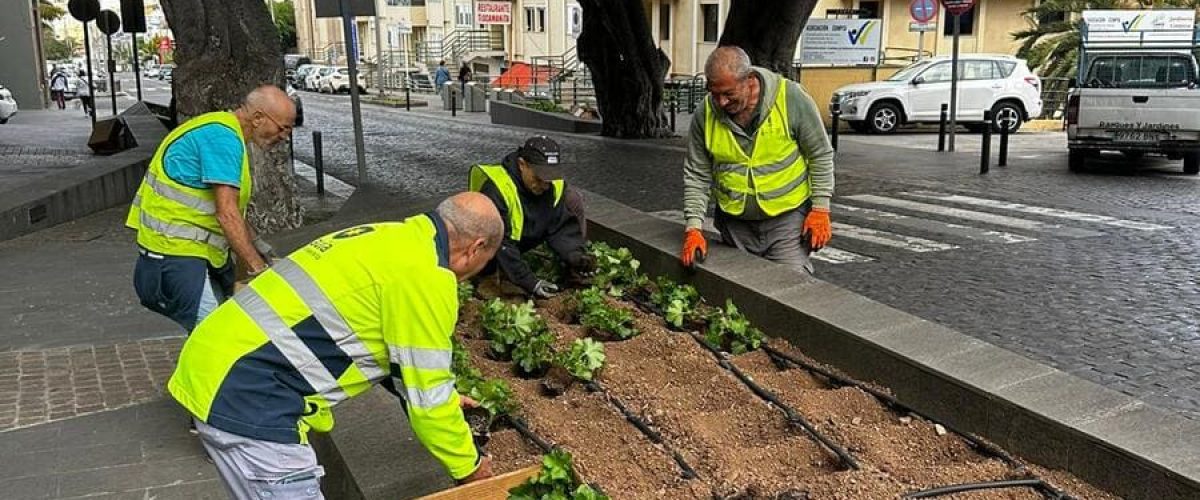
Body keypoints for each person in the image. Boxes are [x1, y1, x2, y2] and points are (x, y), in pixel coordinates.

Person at [168, 193, 503, 499]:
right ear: (476, 247)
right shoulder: (426, 277)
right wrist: (472, 470)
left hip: (218, 368)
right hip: (251, 396)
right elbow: (429, 404)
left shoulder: (389, 237)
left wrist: (446, 397)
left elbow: (385, 345)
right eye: (482, 263)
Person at [126, 84, 295, 332]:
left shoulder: (223, 130)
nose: (285, 136)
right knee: (217, 336)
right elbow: (227, 213)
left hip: (184, 255)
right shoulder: (223, 139)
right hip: (177, 256)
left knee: (218, 331)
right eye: (283, 127)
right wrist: (258, 270)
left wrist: (261, 248)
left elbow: (231, 210)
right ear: (258, 118)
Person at [681, 46, 835, 274]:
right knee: (740, 293)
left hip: (787, 220)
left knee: (790, 287)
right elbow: (697, 173)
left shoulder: (791, 99)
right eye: (714, 93)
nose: (721, 102)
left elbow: (820, 154)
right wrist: (693, 228)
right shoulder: (706, 113)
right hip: (734, 224)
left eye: (728, 94)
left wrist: (820, 209)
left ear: (750, 80)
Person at [469, 136, 592, 298]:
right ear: (522, 165)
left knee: (573, 198)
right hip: (492, 242)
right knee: (490, 248)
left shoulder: (551, 185)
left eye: (548, 180)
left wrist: (575, 255)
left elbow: (559, 226)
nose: (544, 185)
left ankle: (572, 273)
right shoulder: (497, 189)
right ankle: (486, 275)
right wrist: (531, 283)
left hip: (522, 238)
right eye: (538, 178)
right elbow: (501, 242)